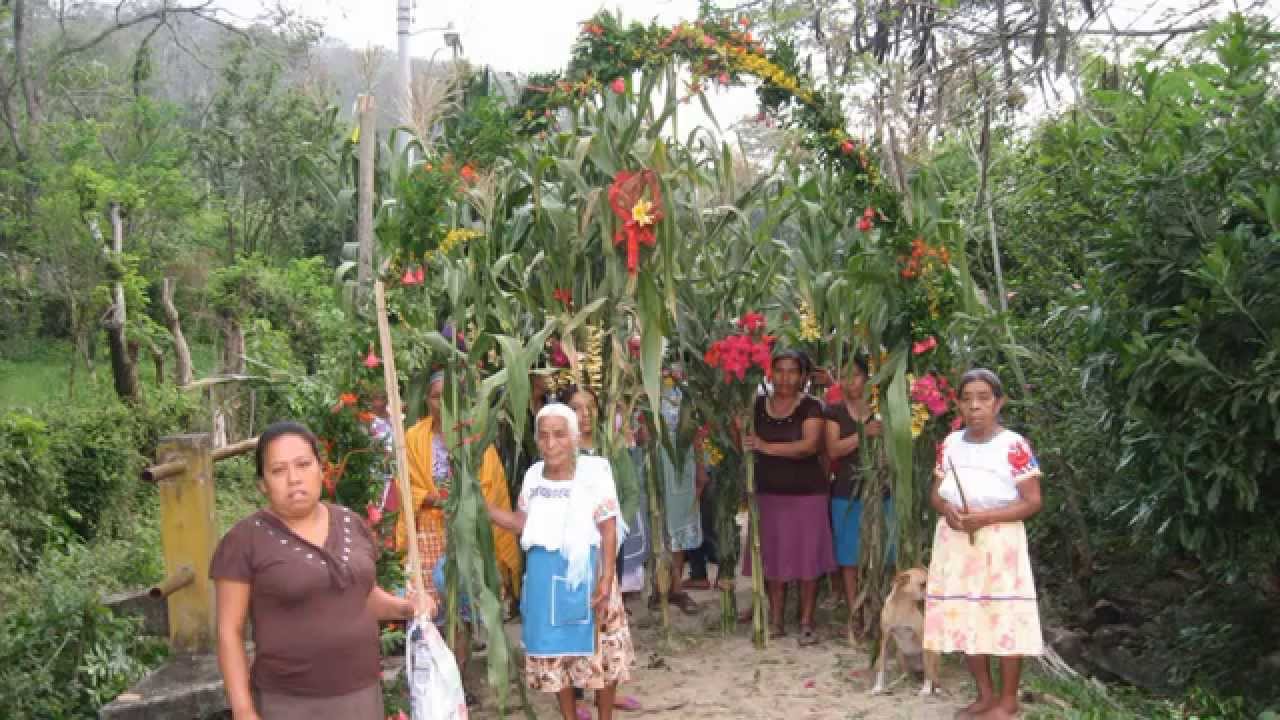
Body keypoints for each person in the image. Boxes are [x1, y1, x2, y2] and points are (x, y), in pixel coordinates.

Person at [211, 421, 432, 720]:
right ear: (262, 484)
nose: (293, 479)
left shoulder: (351, 523)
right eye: (278, 470)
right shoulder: (244, 540)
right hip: (288, 704)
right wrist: (244, 710)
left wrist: (407, 607)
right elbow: (229, 631)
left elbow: (362, 597)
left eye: (303, 464)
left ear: (320, 469)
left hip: (362, 697)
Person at [486, 404, 635, 720]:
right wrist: (481, 505)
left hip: (590, 576)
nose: (550, 443)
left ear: (575, 437)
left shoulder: (594, 474)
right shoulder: (532, 477)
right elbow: (521, 522)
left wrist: (607, 577)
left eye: (559, 435)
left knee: (601, 652)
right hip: (545, 577)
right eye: (543, 436)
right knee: (557, 656)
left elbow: (608, 527)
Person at [923, 368, 1044, 720]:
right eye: (967, 399)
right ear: (958, 405)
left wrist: (987, 518)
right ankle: (985, 696)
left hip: (999, 544)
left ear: (998, 403)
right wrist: (947, 510)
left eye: (983, 398)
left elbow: (1033, 501)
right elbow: (936, 495)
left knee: (1003, 618)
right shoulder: (950, 444)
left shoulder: (1014, 445)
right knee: (967, 616)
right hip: (957, 542)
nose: (974, 406)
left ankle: (1007, 701)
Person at [742, 349, 835, 646]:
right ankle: (776, 619)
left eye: (792, 371)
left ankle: (806, 621)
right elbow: (743, 443)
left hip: (807, 495)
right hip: (768, 495)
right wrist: (739, 430)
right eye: (779, 370)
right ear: (770, 373)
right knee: (773, 558)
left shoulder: (812, 406)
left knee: (808, 559)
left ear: (804, 376)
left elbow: (809, 446)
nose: (785, 377)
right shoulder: (756, 405)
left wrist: (764, 446)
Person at [823, 355, 884, 637]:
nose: (849, 383)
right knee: (849, 557)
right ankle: (854, 613)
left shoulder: (883, 409)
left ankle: (878, 611)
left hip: (881, 492)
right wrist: (864, 433)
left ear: (867, 377)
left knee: (880, 553)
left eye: (855, 375)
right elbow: (833, 449)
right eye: (843, 376)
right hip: (846, 492)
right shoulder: (834, 412)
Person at [648, 372, 705, 615]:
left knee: (680, 526)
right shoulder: (641, 388)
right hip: (651, 465)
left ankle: (677, 588)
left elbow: (697, 434)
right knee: (655, 525)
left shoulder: (686, 392)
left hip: (681, 466)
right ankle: (658, 588)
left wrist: (700, 468)